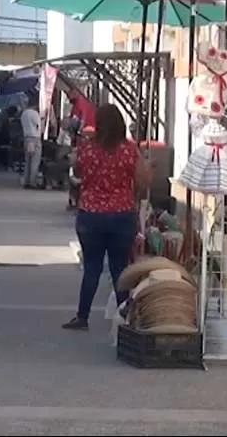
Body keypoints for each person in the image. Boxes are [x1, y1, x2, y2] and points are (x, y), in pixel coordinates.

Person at [63, 104, 152, 331]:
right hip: (121, 214)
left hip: (90, 215)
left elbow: (78, 172)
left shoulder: (86, 149)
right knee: (119, 268)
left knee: (92, 267)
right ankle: (124, 316)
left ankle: (82, 316)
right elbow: (143, 181)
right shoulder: (130, 150)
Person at [20, 101, 43, 189]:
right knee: (35, 161)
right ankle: (32, 182)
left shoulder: (24, 114)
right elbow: (38, 125)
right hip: (35, 138)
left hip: (26, 138)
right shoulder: (35, 113)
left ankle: (26, 181)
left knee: (28, 161)